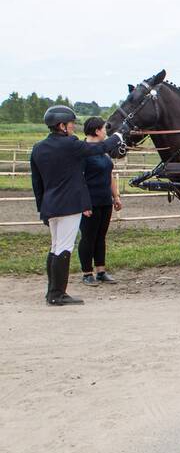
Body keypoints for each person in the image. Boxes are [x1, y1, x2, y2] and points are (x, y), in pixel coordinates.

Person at [31, 106, 126, 306]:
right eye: (71, 124)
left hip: (51, 205)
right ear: (62, 126)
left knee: (55, 247)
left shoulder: (38, 148)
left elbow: (37, 183)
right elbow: (100, 148)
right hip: (69, 205)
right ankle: (58, 294)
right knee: (64, 248)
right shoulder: (71, 145)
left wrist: (42, 209)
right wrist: (118, 135)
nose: (74, 127)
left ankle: (52, 292)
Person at [78, 117, 123, 286]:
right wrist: (83, 203)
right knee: (88, 237)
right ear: (97, 131)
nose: (106, 132)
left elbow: (109, 174)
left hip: (104, 200)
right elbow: (79, 179)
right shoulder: (83, 152)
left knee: (101, 237)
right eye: (104, 128)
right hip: (90, 201)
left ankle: (101, 271)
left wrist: (115, 196)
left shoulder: (103, 152)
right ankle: (86, 272)